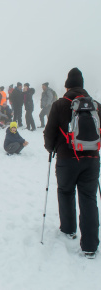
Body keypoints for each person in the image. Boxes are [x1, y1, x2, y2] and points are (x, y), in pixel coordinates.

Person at [44, 68, 101, 258]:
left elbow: (49, 132)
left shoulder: (60, 104)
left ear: (67, 85)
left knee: (66, 191)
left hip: (67, 159)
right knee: (89, 199)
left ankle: (69, 229)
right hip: (91, 160)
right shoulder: (96, 105)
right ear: (82, 86)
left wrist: (51, 148)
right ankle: (90, 246)